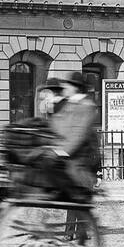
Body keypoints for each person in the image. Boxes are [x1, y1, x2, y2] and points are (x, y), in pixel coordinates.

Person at [45, 71, 102, 199]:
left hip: (80, 157)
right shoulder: (70, 104)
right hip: (70, 153)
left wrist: (61, 152)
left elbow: (78, 134)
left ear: (75, 88)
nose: (65, 88)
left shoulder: (86, 106)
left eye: (68, 86)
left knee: (76, 197)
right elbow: (59, 127)